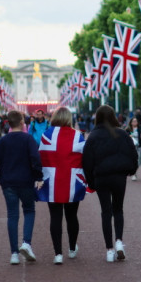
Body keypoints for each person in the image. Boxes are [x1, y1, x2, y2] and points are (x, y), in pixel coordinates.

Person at [82, 105, 138, 262]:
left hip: (101, 177)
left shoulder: (93, 136)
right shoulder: (122, 134)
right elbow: (133, 154)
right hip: (119, 176)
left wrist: (91, 182)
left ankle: (109, 250)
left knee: (106, 212)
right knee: (118, 209)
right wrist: (131, 170)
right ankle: (119, 241)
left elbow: (87, 162)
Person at [0, 110, 44, 265]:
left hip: (8, 182)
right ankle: (26, 243)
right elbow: (35, 159)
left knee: (12, 215)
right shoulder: (28, 139)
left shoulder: (4, 140)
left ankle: (14, 253)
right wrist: (38, 176)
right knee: (29, 210)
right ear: (22, 122)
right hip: (26, 181)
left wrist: (4, 165)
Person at [38, 106, 86, 265]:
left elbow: (42, 159)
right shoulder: (77, 136)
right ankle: (72, 249)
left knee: (55, 217)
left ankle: (58, 253)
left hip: (52, 182)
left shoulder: (46, 135)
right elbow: (83, 158)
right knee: (72, 216)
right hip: (73, 181)